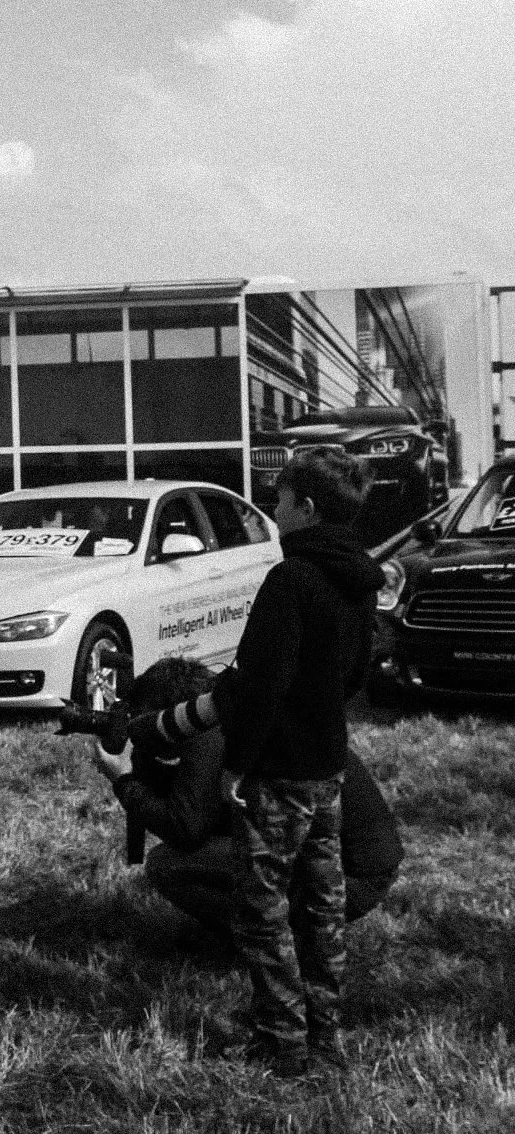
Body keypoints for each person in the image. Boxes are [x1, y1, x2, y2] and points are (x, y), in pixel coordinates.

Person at [203, 446, 379, 1077]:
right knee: (322, 908)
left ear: (306, 508)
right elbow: (359, 671)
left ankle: (284, 1043)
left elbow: (259, 684)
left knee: (261, 912)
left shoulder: (292, 579)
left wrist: (237, 764)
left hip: (278, 771)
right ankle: (326, 1036)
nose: (272, 513)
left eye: (278, 499)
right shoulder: (358, 577)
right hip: (328, 764)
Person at [95, 657, 402, 936]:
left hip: (342, 881)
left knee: (166, 863)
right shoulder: (245, 718)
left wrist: (123, 780)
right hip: (362, 869)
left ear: (173, 715)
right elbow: (214, 809)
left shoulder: (210, 735)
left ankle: (257, 937)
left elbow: (186, 829)